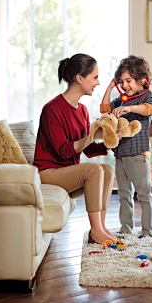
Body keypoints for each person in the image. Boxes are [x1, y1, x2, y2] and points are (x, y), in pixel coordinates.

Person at [33, 53, 120, 245]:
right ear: (80, 78)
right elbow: (64, 151)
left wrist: (110, 142)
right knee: (94, 169)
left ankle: (101, 229)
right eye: (95, 77)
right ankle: (96, 231)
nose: (98, 82)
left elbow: (87, 150)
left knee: (107, 169)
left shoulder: (82, 110)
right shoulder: (52, 109)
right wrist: (92, 135)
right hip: (48, 173)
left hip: (65, 172)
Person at [100, 55, 152, 237]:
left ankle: (148, 230)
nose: (125, 85)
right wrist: (110, 87)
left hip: (138, 155)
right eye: (122, 81)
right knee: (124, 194)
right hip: (120, 155)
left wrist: (130, 109)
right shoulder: (122, 98)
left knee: (144, 194)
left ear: (142, 80)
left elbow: (149, 109)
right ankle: (126, 227)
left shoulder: (147, 96)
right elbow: (104, 109)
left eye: (129, 81)